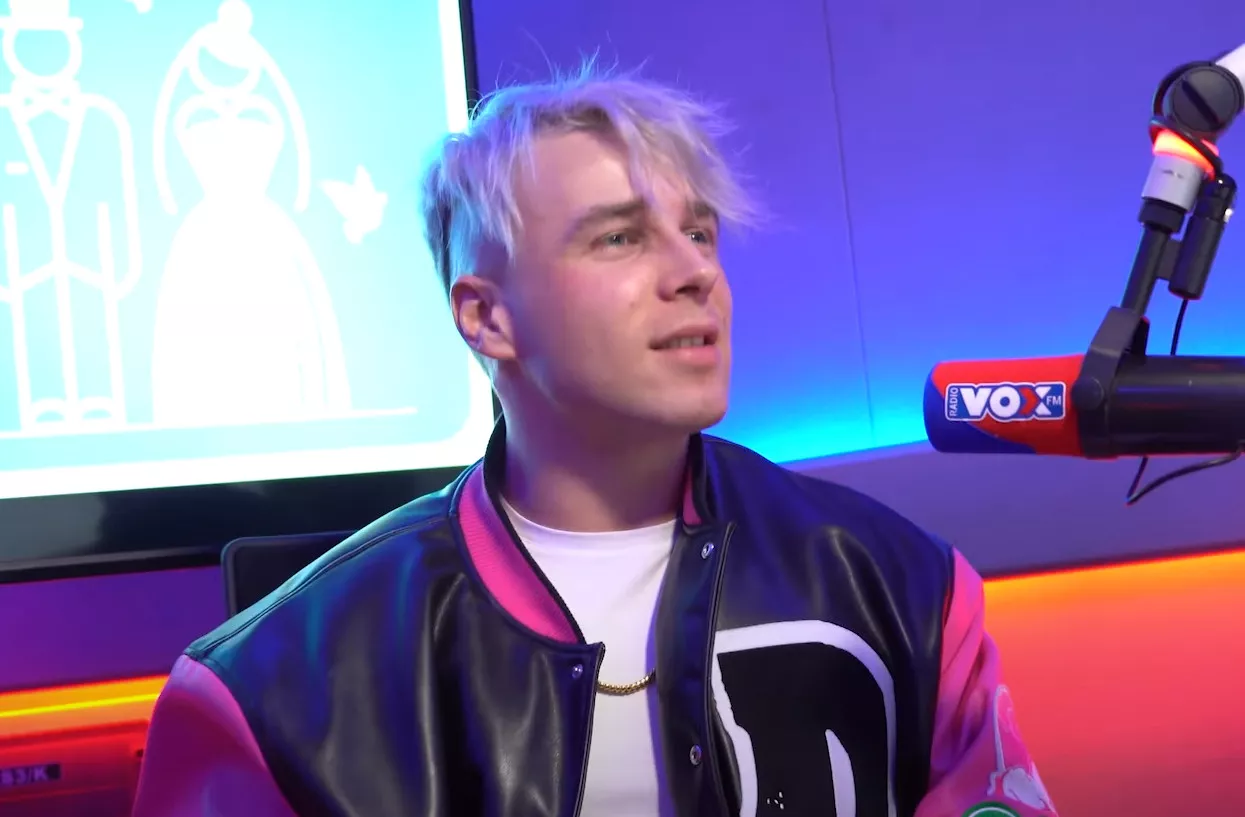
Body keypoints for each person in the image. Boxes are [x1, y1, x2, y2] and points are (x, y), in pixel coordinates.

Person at [131, 66, 1058, 817]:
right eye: (619, 239)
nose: (694, 271)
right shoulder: (270, 687)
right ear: (486, 317)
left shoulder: (904, 587)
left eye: (699, 232)